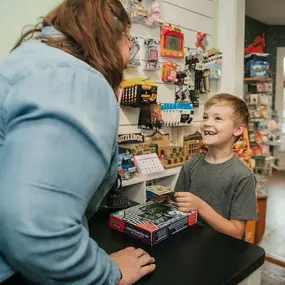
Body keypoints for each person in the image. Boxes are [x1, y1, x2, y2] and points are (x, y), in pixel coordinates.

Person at [0, 1, 155, 284]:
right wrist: (110, 274)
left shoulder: (28, 60)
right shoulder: (79, 80)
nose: (128, 55)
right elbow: (38, 230)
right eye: (129, 40)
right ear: (112, 35)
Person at [173, 94, 258, 239]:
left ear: (238, 129)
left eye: (217, 118)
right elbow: (178, 207)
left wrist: (200, 206)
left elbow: (237, 232)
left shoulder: (243, 176)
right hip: (189, 245)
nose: (207, 123)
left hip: (223, 253)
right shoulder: (190, 166)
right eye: (205, 117)